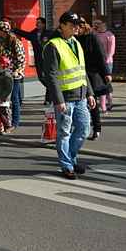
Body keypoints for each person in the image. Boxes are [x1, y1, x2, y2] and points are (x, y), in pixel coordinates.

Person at [42, 11, 96, 180]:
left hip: (80, 96)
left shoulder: (76, 43)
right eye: (72, 25)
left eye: (78, 25)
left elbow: (82, 70)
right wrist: (58, 100)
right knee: (64, 133)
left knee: (84, 128)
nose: (76, 28)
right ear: (62, 25)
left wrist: (90, 93)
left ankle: (70, 159)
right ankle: (66, 165)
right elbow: (51, 75)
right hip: (65, 98)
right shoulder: (53, 45)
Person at [77, 17, 111, 140]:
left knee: (92, 102)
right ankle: (83, 128)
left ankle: (97, 128)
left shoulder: (92, 37)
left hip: (92, 74)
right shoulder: (74, 39)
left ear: (82, 27)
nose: (76, 30)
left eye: (78, 28)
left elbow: (100, 56)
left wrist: (106, 73)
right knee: (84, 103)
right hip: (80, 74)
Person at [0, 21, 25, 132]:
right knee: (4, 98)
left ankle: (15, 123)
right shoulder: (1, 41)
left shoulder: (15, 42)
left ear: (3, 30)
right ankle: (6, 122)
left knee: (14, 98)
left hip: (14, 75)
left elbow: (21, 59)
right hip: (4, 73)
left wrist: (16, 71)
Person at [93, 16, 115, 111]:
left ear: (104, 24)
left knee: (106, 82)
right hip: (98, 61)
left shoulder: (110, 35)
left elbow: (111, 50)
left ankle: (109, 101)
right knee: (100, 83)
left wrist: (108, 59)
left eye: (98, 23)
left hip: (107, 62)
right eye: (95, 23)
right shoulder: (95, 34)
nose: (96, 25)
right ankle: (103, 104)